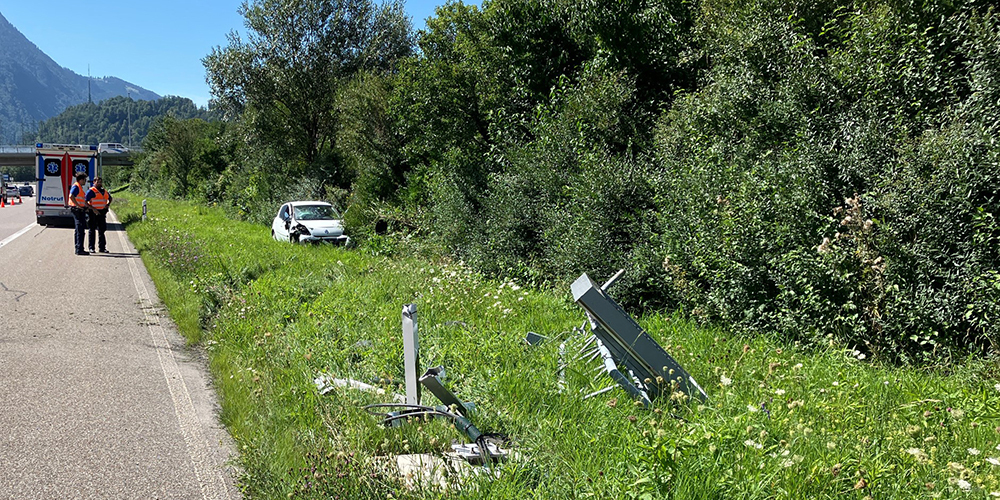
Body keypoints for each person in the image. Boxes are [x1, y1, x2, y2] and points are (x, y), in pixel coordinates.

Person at [85, 177, 112, 253]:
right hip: (93, 213)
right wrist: (93, 209)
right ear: (94, 182)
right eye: (98, 182)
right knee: (92, 230)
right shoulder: (91, 191)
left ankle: (102, 248)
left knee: (102, 230)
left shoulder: (104, 191)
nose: (99, 183)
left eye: (100, 182)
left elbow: (110, 198)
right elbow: (85, 202)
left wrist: (107, 205)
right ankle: (91, 248)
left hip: (102, 213)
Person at [68, 172, 89, 255]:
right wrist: (78, 206)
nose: (85, 181)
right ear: (81, 180)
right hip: (77, 210)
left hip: (79, 209)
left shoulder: (78, 187)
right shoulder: (76, 186)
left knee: (79, 230)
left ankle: (79, 248)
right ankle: (79, 249)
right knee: (80, 230)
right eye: (85, 180)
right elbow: (71, 196)